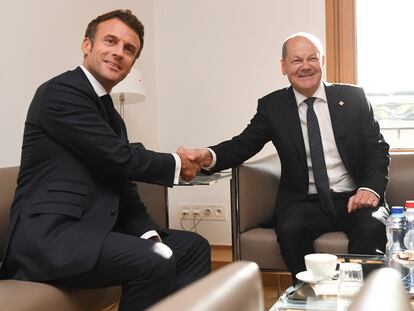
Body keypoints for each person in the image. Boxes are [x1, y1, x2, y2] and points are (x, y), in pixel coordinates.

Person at [0, 9, 210, 310]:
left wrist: (149, 235)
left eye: (129, 50)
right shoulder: (61, 92)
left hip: (92, 232)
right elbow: (121, 158)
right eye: (110, 41)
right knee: (154, 263)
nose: (118, 53)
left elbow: (123, 187)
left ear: (132, 64)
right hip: (50, 238)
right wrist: (177, 163)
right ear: (87, 45)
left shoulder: (110, 116)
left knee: (193, 247)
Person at [189, 32, 390, 283]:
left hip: (354, 197)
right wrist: (208, 156)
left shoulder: (353, 98)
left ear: (322, 61)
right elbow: (243, 144)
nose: (305, 66)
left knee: (373, 227)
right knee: (290, 229)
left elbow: (377, 148)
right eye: (296, 61)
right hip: (305, 201)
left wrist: (370, 188)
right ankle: (309, 295)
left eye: (312, 59)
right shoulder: (272, 106)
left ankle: (361, 297)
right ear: (283, 66)